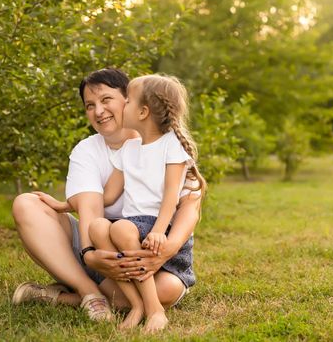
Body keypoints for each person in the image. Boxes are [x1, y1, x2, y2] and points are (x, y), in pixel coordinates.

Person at [11, 69, 201, 323]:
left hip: (154, 244)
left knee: (165, 288)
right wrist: (87, 246)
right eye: (90, 105)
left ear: (131, 103)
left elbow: (187, 205)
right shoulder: (98, 150)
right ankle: (93, 293)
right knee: (32, 205)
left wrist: (166, 250)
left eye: (106, 100)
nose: (98, 111)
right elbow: (99, 202)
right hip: (109, 248)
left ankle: (65, 297)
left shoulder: (169, 144)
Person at [87, 74, 206, 332]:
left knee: (120, 228)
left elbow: (171, 197)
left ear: (142, 112)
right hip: (134, 227)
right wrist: (66, 204)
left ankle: (155, 310)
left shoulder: (170, 146)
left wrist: (158, 231)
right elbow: (107, 196)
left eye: (127, 101)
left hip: (159, 232)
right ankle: (137, 305)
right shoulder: (129, 148)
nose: (123, 106)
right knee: (97, 227)